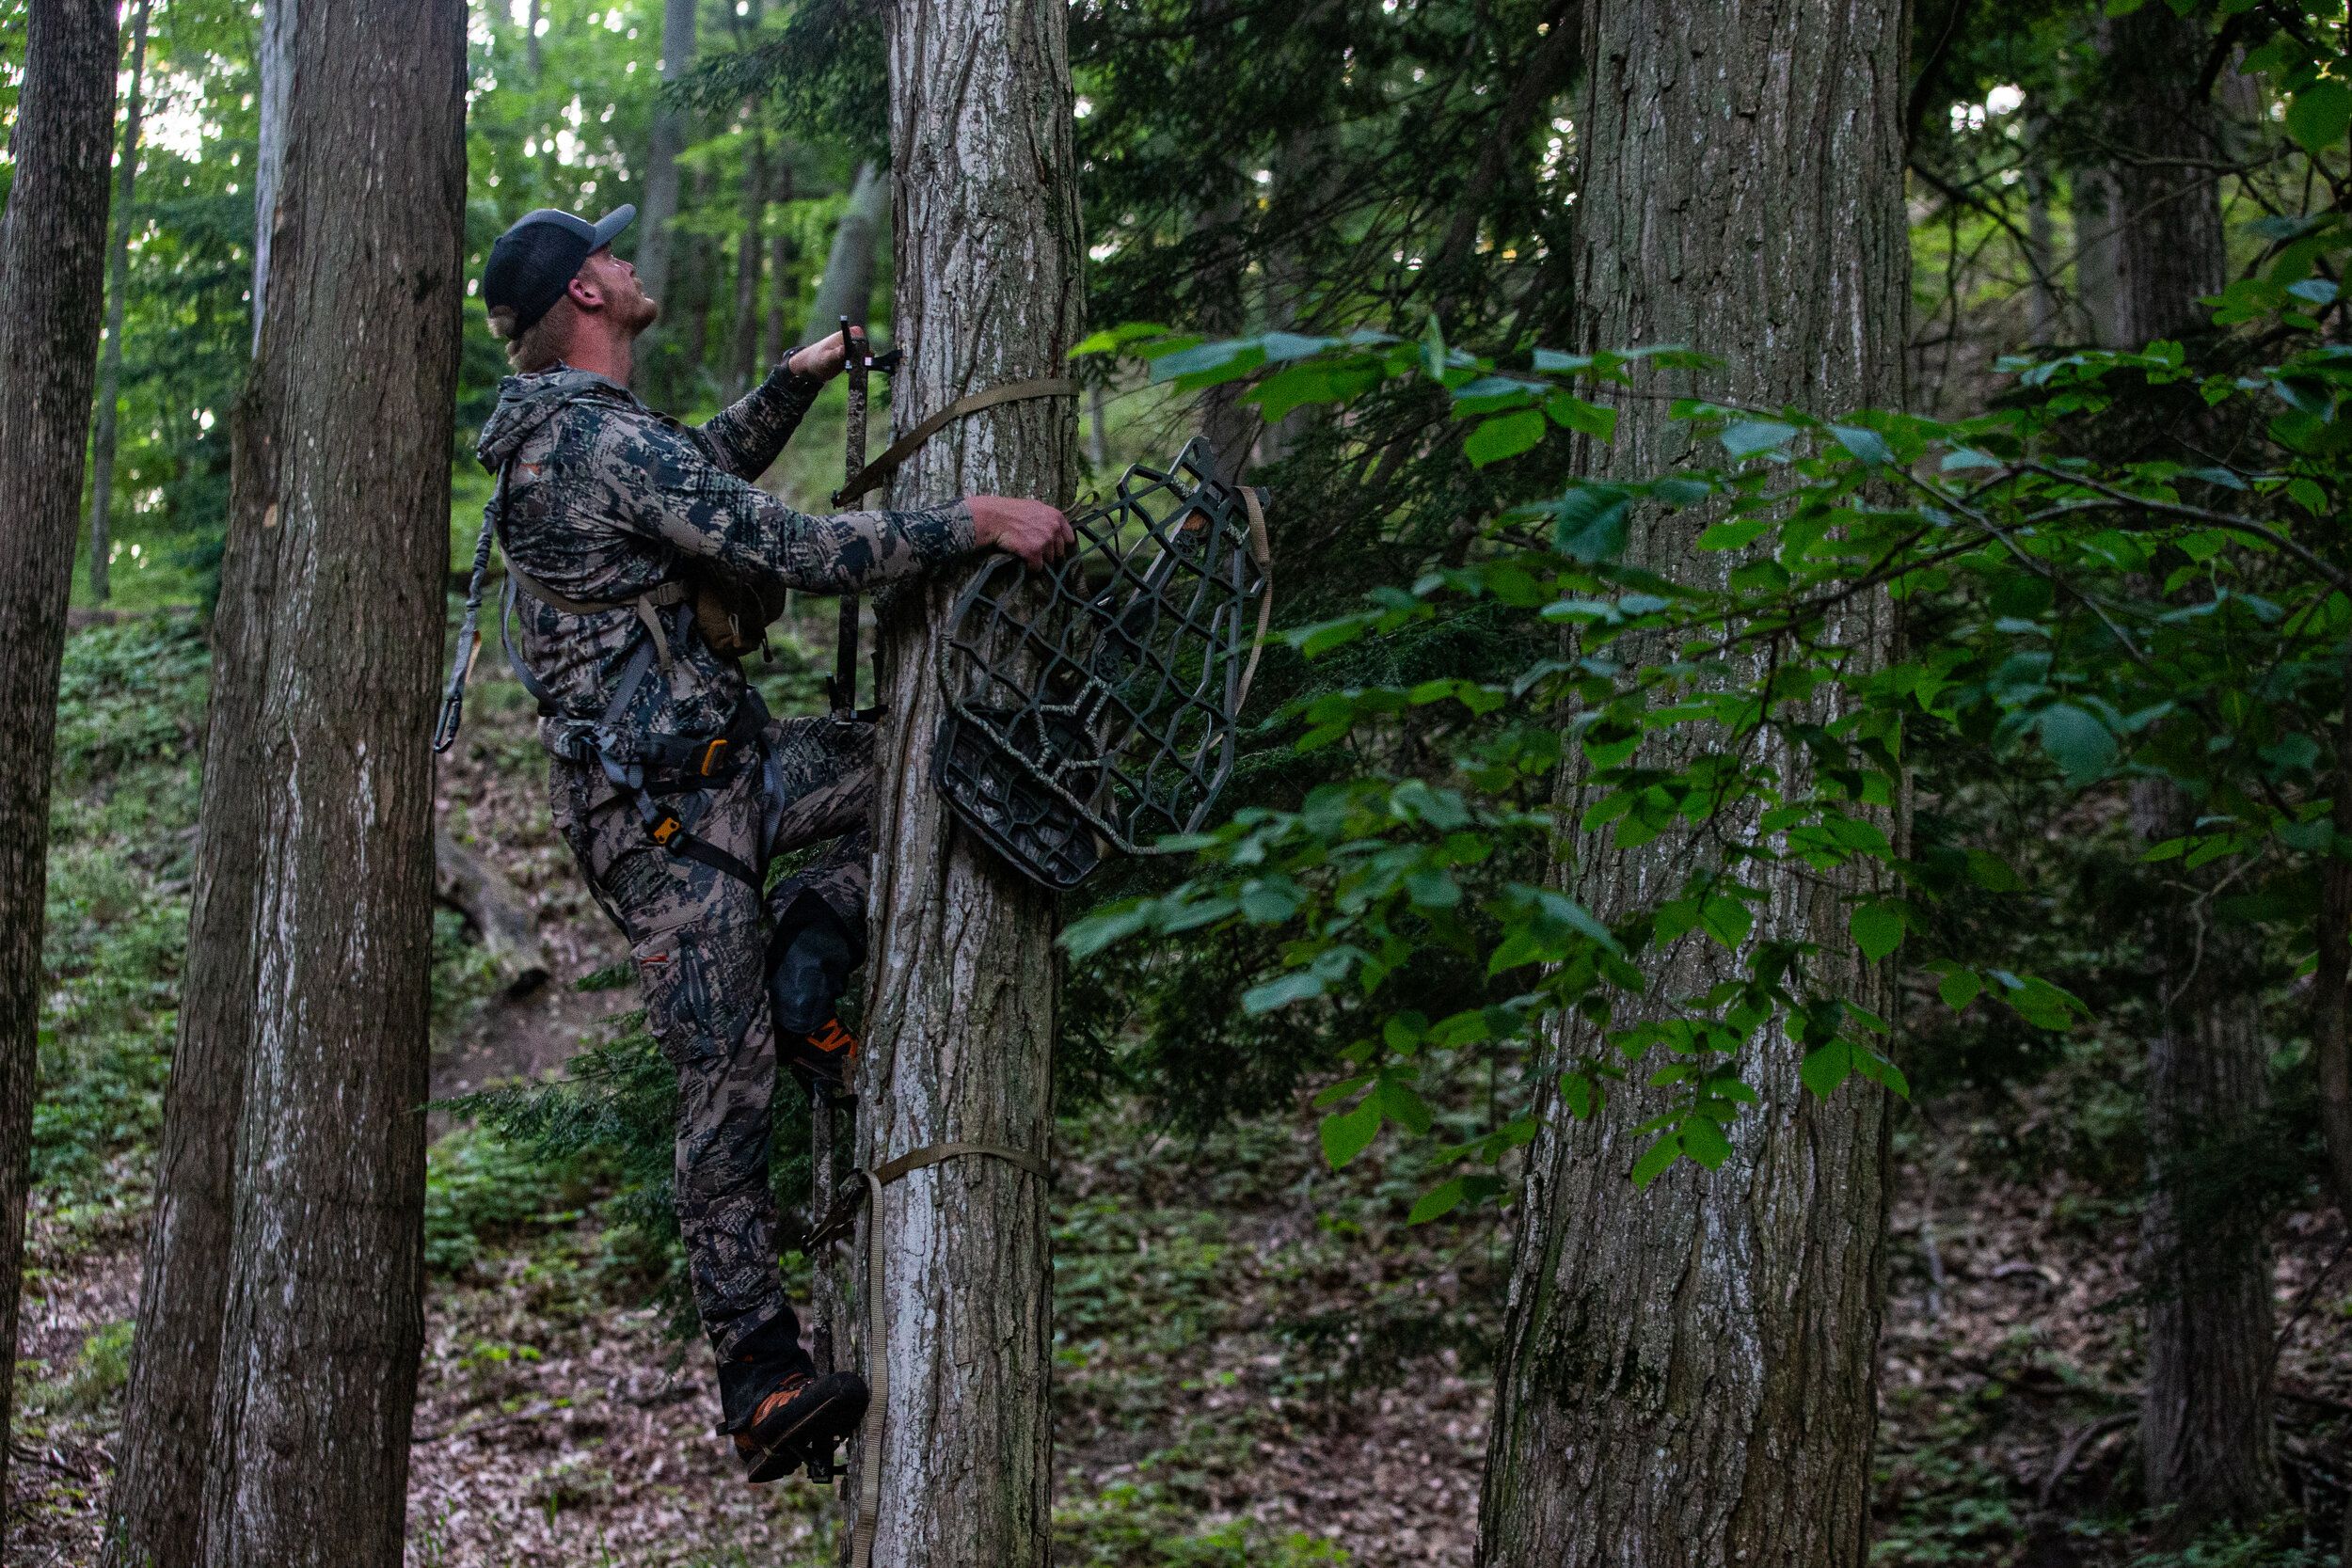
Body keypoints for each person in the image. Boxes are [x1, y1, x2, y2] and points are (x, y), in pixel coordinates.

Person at [470, 204, 1071, 1481]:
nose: (635, 266)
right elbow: (791, 546)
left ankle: (809, 952)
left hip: (730, 772)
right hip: (660, 827)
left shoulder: (602, 437)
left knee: (905, 767)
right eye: (616, 255)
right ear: (588, 289)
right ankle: (759, 1377)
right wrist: (975, 520)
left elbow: (700, 467)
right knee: (727, 1082)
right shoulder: (584, 440)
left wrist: (793, 383)